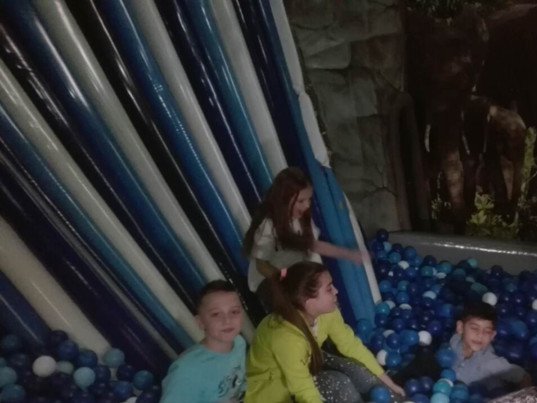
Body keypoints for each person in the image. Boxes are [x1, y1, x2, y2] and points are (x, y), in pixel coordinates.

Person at [245, 261, 404, 402]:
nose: (336, 291)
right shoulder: (286, 338)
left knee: (359, 371)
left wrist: (389, 384)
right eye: (329, 289)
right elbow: (303, 390)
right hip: (274, 387)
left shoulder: (327, 313)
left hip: (306, 361)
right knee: (339, 383)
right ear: (309, 302)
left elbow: (351, 345)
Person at [243, 167, 367, 306]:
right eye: (301, 201)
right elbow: (262, 266)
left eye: (309, 200)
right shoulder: (269, 225)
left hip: (290, 276)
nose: (307, 205)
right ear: (284, 199)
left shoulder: (300, 219)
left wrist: (348, 254)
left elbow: (315, 245)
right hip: (268, 281)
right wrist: (285, 277)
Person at [160, 280, 246, 403]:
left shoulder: (239, 342)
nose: (227, 320)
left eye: (234, 312)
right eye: (216, 314)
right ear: (200, 322)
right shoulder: (186, 371)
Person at [450, 301, 532, 395]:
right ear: (460, 328)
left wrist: (523, 398)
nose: (480, 335)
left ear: (492, 336)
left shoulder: (490, 363)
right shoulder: (455, 341)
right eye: (474, 328)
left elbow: (524, 376)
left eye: (487, 331)